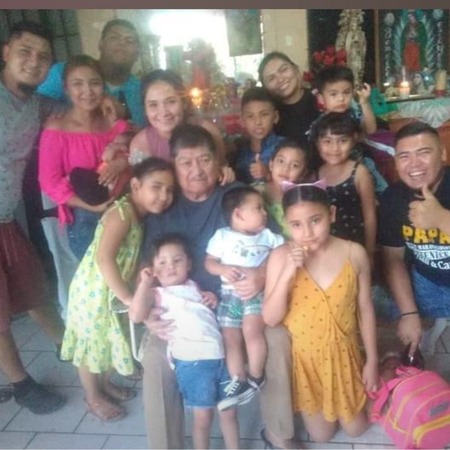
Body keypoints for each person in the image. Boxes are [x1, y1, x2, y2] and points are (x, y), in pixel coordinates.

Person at [139, 123, 278, 449]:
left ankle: (279, 433)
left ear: (218, 162)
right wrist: (147, 315)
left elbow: (278, 247)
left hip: (243, 301)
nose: (197, 170)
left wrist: (261, 275)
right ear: (174, 166)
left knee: (278, 340)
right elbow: (147, 270)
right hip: (181, 309)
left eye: (204, 160)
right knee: (155, 358)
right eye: (186, 162)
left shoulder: (237, 198)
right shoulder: (163, 209)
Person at [60, 157, 175, 422]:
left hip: (113, 289)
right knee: (91, 345)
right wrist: (127, 296)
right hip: (95, 291)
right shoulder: (121, 214)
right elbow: (104, 258)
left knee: (109, 340)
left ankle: (105, 384)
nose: (163, 196)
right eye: (156, 187)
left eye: (169, 190)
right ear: (135, 185)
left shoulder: (140, 215)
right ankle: (92, 396)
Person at [263, 182, 378, 443]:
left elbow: (365, 309)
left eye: (316, 220)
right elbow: (270, 318)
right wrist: (288, 273)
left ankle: (387, 368)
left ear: (332, 214)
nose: (307, 232)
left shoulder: (354, 253)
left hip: (345, 353)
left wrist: (371, 360)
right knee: (322, 436)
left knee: (356, 429)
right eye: (296, 225)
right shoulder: (280, 257)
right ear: (286, 224)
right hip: (307, 361)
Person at [0, 20, 66, 414]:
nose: (33, 61)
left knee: (33, 286)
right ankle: (21, 384)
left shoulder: (39, 105)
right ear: (6, 52)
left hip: (6, 218)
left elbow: (74, 116)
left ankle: (67, 345)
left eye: (43, 57)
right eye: (25, 51)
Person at [130, 233, 240, 449]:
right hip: (192, 363)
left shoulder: (194, 287)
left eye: (177, 260)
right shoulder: (157, 293)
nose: (170, 266)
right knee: (203, 417)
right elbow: (135, 315)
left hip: (220, 358)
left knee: (229, 412)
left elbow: (205, 314)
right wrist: (144, 284)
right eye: (162, 262)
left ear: (188, 264)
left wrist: (212, 299)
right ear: (153, 269)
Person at [39, 54, 131, 260]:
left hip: (123, 211)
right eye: (78, 84)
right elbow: (49, 182)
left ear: (103, 87)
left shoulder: (113, 123)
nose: (88, 91)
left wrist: (122, 162)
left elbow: (137, 154)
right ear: (66, 88)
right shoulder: (56, 130)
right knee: (97, 276)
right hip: (84, 217)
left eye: (95, 83)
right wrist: (91, 206)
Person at [205, 186, 284, 410]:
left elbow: (284, 254)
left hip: (256, 294)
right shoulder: (222, 236)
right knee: (230, 336)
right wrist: (222, 269)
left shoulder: (269, 237)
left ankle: (256, 376)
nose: (265, 213)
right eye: (259, 208)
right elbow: (209, 262)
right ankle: (238, 380)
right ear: (238, 214)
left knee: (251, 330)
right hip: (230, 296)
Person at [378, 121, 450, 356]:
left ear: (443, 154)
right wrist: (408, 313)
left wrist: (441, 219)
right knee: (375, 304)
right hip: (426, 281)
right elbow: (393, 258)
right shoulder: (393, 197)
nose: (414, 164)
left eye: (423, 152)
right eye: (404, 156)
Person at [128, 69, 234, 183]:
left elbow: (220, 172)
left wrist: (224, 172)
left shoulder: (209, 132)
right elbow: (145, 189)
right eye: (153, 105)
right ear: (145, 110)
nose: (163, 112)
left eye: (171, 102)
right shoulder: (141, 144)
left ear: (184, 103)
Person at [38, 18, 145, 127]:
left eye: (130, 40)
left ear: (138, 52)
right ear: (101, 44)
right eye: (114, 37)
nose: (122, 43)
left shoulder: (143, 91)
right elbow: (35, 108)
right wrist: (89, 103)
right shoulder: (62, 72)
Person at [312, 113, 377, 264]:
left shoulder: (359, 172)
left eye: (342, 140)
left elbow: (370, 215)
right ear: (317, 143)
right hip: (326, 248)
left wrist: (369, 252)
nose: (335, 148)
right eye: (327, 141)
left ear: (353, 140)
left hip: (356, 244)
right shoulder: (315, 175)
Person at [258, 51, 320, 146]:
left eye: (283, 70)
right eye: (271, 79)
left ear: (295, 68)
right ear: (265, 88)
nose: (280, 79)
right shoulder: (270, 117)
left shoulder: (321, 99)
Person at [233, 87, 284, 186]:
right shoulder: (238, 151)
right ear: (242, 120)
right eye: (250, 116)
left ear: (275, 117)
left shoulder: (285, 147)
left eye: (264, 114)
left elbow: (292, 182)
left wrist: (268, 174)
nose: (257, 122)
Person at [263, 139, 310, 237]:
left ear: (303, 173)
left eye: (294, 165)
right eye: (281, 161)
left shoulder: (304, 199)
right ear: (271, 165)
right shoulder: (254, 192)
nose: (285, 169)